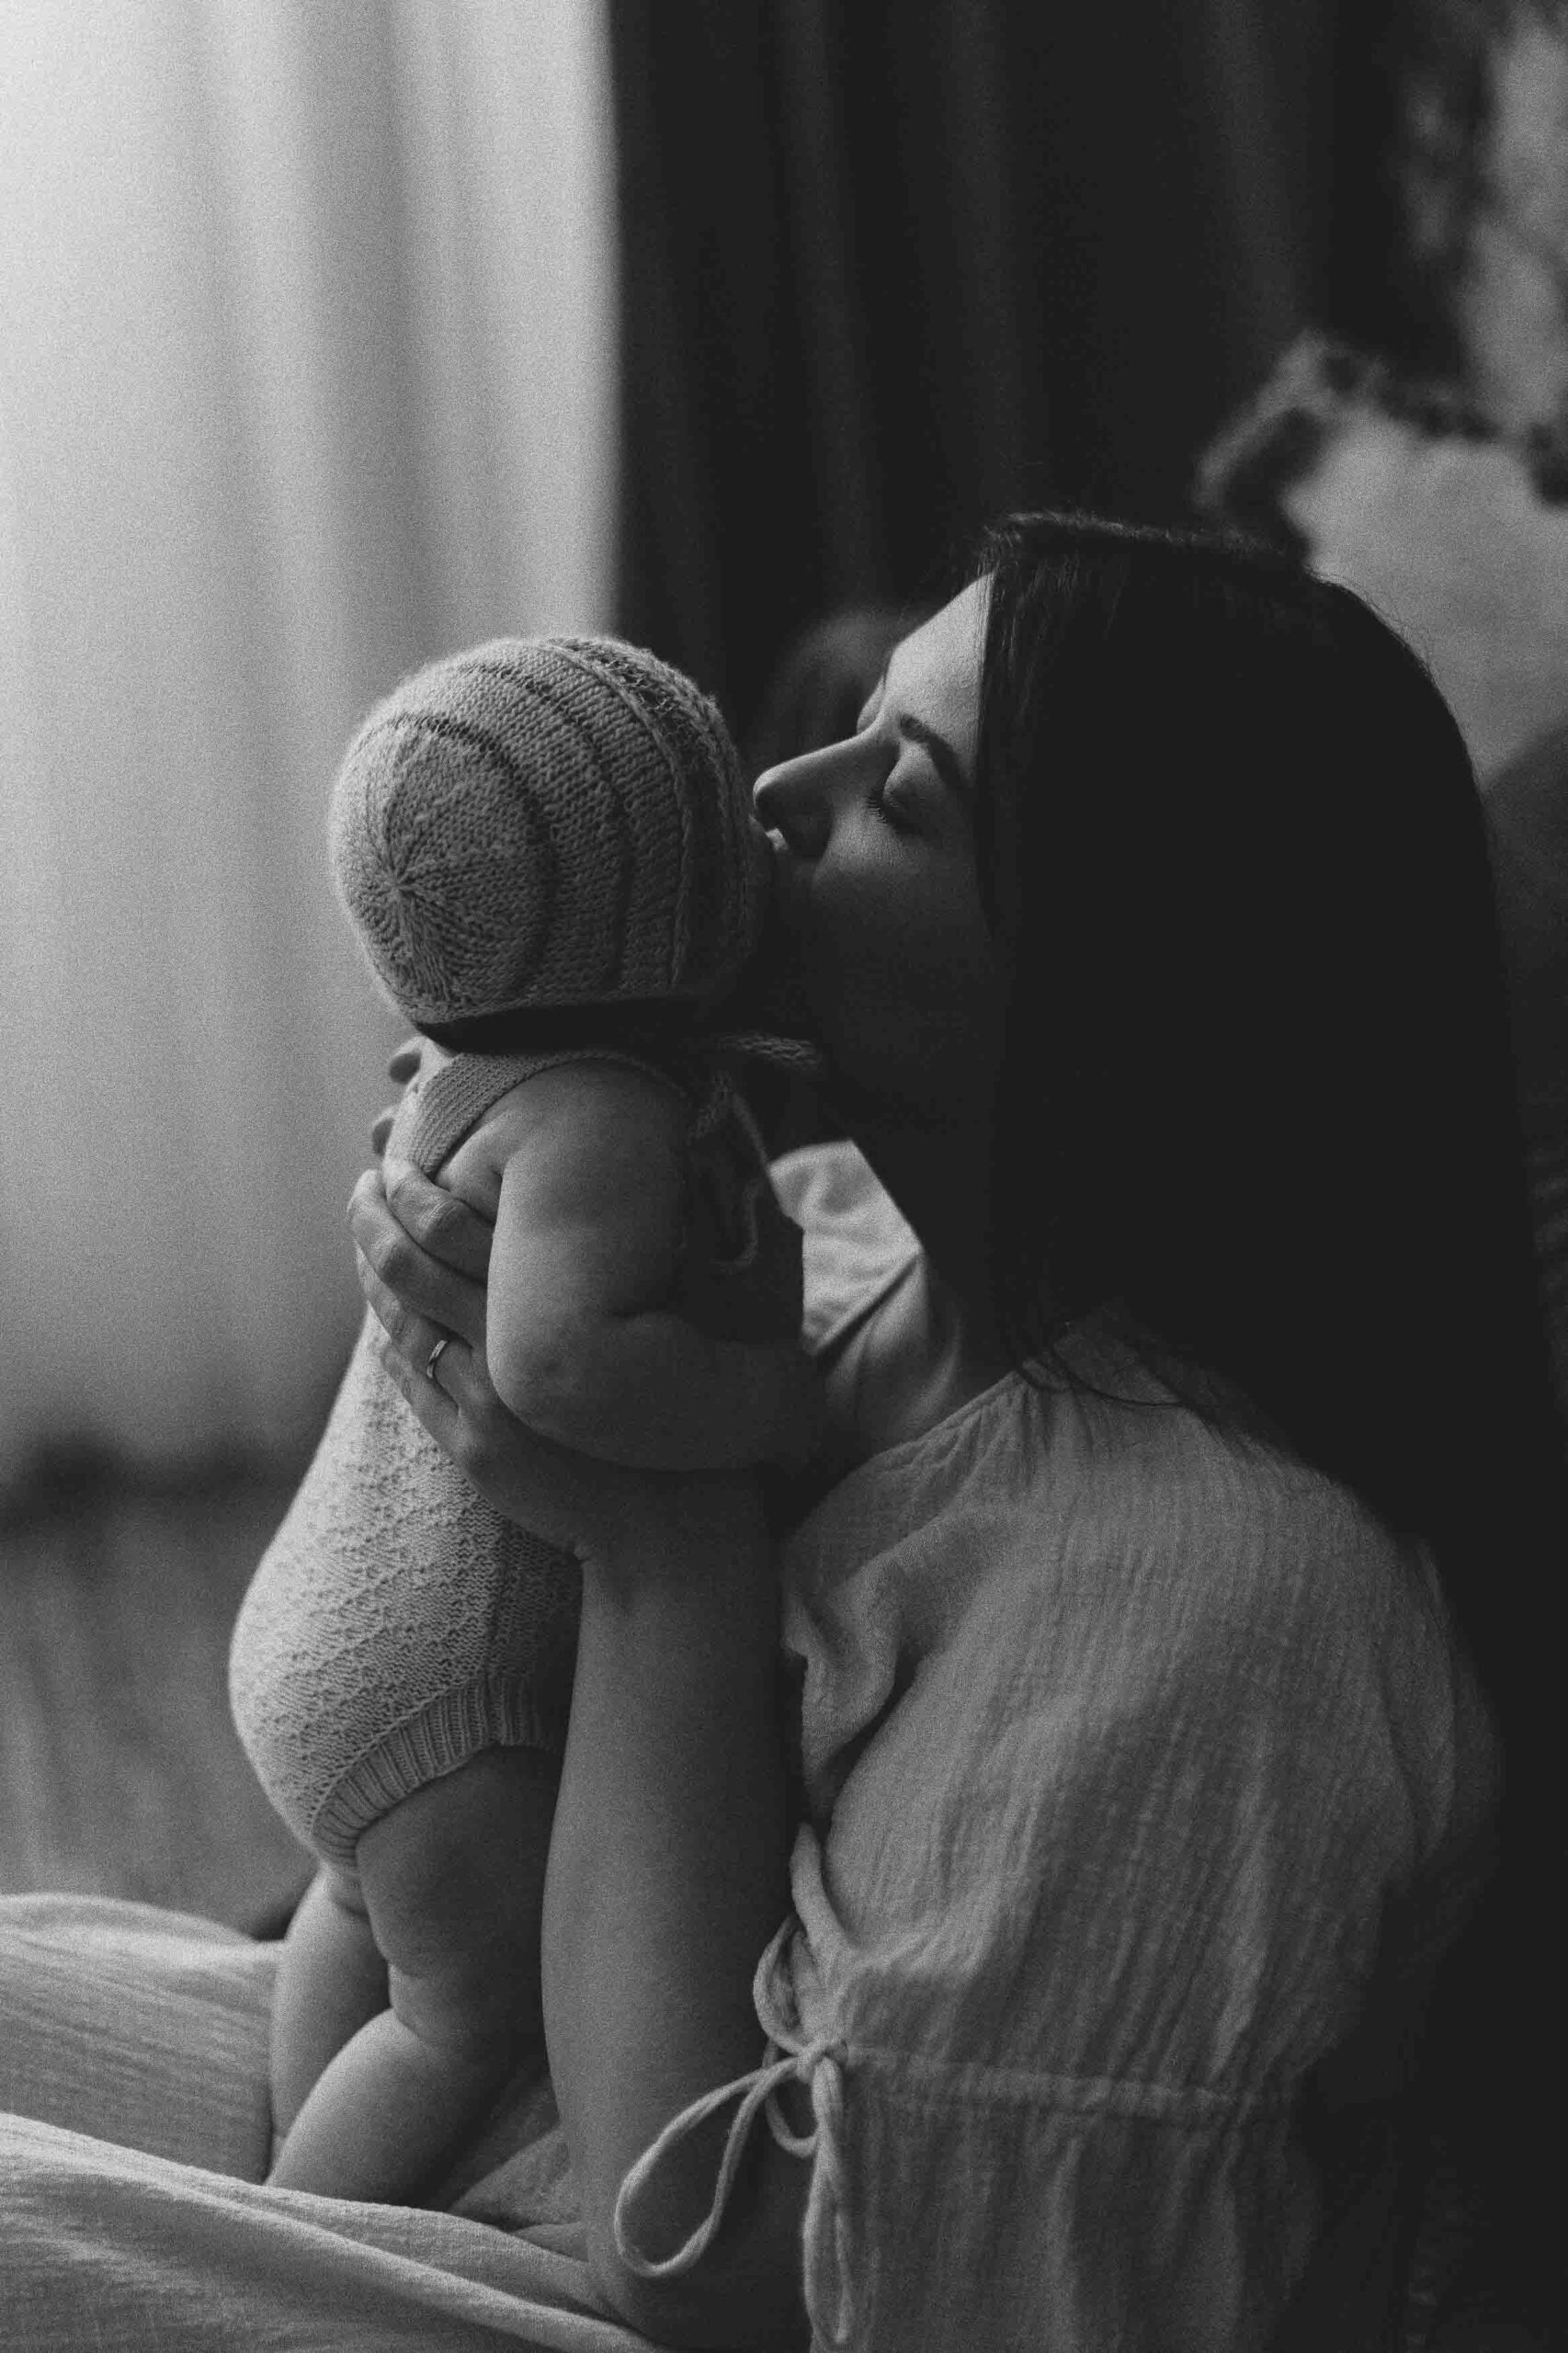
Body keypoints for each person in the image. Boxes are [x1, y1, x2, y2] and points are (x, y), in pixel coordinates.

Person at [0, 511, 1560, 2351]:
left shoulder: (1215, 1592)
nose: (774, 794)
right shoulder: (809, 1243)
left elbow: (732, 2250)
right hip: (508, 2080)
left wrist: (664, 1548)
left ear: (1114, 982)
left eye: (898, 793)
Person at [227, 632, 821, 2207]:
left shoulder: (460, 1068)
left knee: (358, 1910)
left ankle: (277, 2155)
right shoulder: (598, 1114)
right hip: (445, 1689)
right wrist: (777, 1395)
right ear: (665, 904)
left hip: (324, 1641)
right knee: (457, 2018)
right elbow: (559, 1369)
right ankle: (295, 2241)